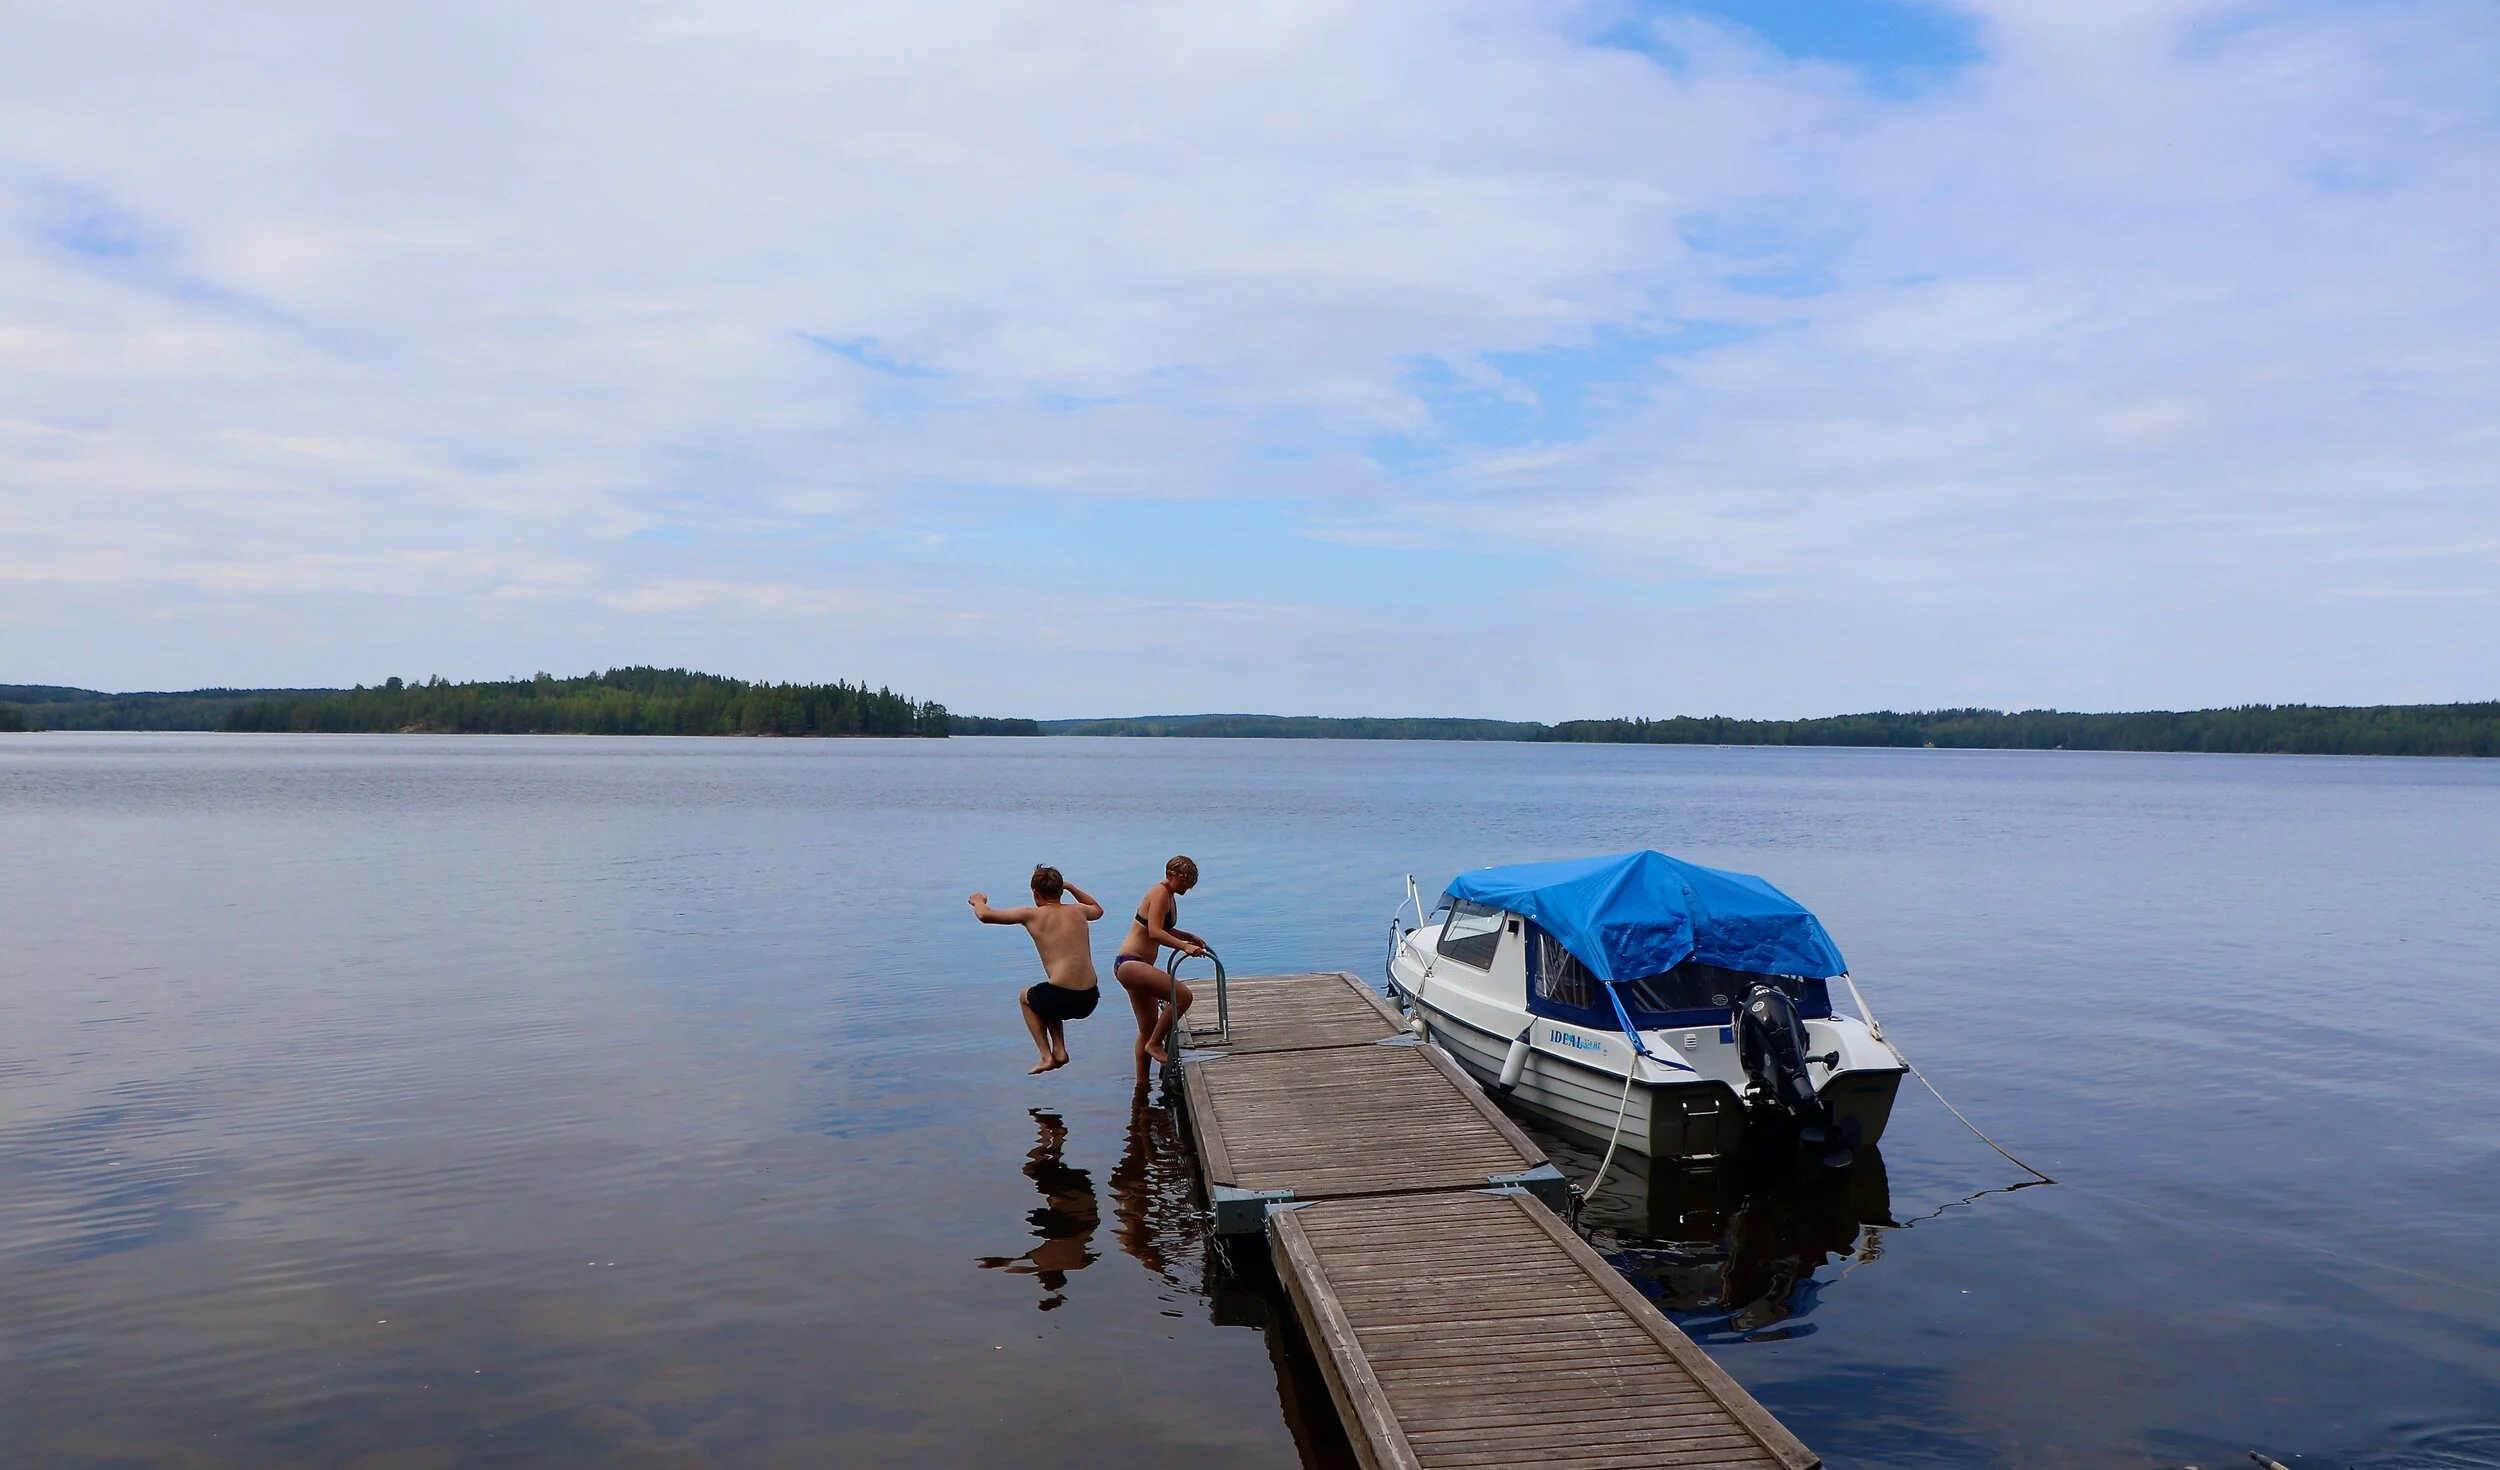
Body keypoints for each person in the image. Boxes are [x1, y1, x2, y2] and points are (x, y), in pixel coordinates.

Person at [970, 865, 1105, 1074]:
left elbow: (985, 916)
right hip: (1089, 998)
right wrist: (1070, 887)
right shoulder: (1079, 910)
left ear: (1035, 893)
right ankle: (1059, 1050)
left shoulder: (1031, 915)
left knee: (1026, 997)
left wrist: (978, 901)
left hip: (1061, 996)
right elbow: (1097, 908)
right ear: (1060, 891)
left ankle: (1046, 1055)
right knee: (1045, 993)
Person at [1114, 855, 1204, 1064]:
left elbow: (1162, 928)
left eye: (1191, 882)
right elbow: (1155, 932)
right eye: (1184, 881)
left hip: (1136, 965)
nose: (1187, 886)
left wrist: (1188, 937)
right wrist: (1185, 947)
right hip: (1131, 963)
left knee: (1147, 1029)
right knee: (1183, 997)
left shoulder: (1168, 895)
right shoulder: (1160, 893)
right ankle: (1155, 1044)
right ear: (1170, 875)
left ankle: (1142, 1081)